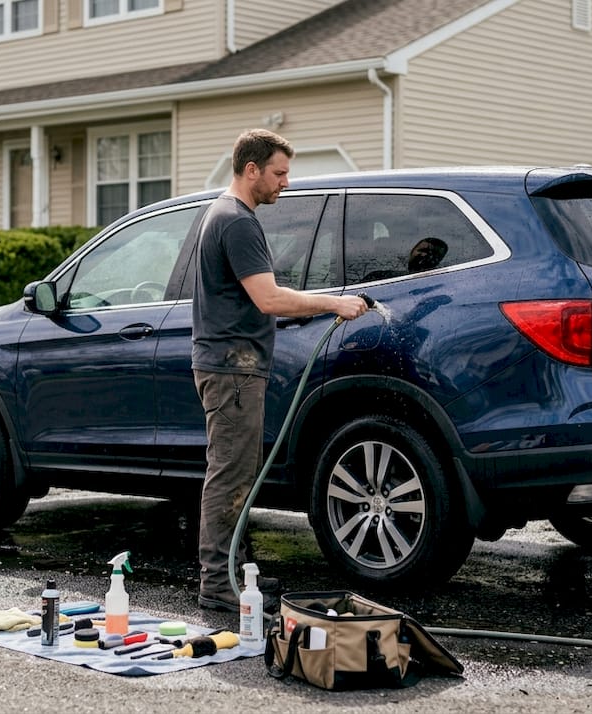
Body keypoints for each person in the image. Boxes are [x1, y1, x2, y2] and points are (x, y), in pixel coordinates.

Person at [192, 129, 368, 612]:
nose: (285, 182)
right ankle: (217, 583)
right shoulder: (237, 222)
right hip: (232, 369)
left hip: (231, 366)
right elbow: (268, 298)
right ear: (252, 170)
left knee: (239, 472)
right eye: (280, 172)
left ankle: (233, 573)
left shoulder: (226, 215)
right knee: (229, 475)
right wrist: (334, 302)